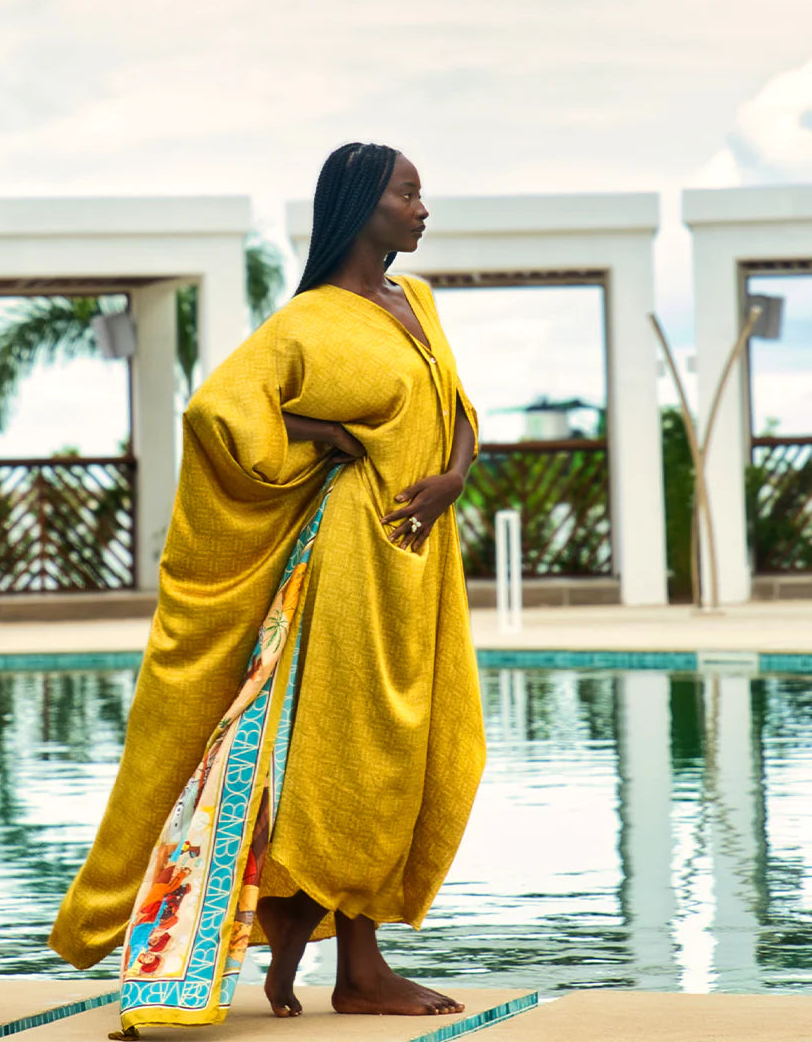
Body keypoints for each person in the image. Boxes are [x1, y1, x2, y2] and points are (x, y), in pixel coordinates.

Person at [49, 142, 486, 1027]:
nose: (422, 209)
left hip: (423, 557)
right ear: (362, 206)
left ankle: (325, 947)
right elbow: (218, 411)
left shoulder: (418, 301)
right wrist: (327, 434)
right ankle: (359, 970)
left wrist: (454, 477)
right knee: (361, 754)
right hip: (353, 556)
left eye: (420, 195)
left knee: (425, 746)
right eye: (408, 194)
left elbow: (458, 410)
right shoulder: (306, 324)